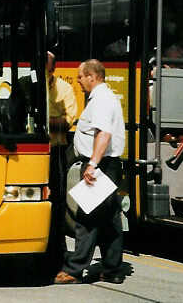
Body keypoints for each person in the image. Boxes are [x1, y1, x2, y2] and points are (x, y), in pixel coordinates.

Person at [54, 58, 126, 285]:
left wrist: (93, 164)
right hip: (106, 164)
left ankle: (74, 270)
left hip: (101, 164)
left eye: (80, 77)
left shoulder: (102, 100)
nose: (78, 81)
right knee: (109, 218)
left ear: (92, 77)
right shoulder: (103, 98)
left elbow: (103, 133)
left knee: (87, 217)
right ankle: (113, 268)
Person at [46, 51, 78, 254]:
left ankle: (58, 247)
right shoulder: (24, 84)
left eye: (47, 69)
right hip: (28, 148)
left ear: (53, 69)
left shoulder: (64, 88)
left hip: (55, 150)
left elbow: (68, 121)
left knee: (57, 200)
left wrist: (41, 122)